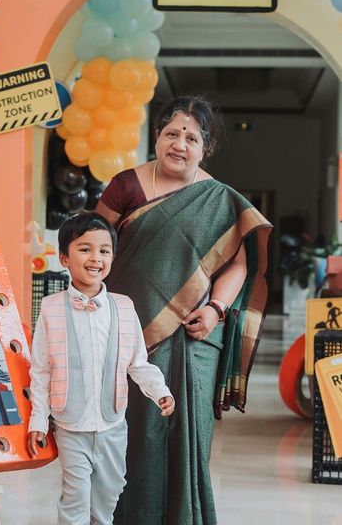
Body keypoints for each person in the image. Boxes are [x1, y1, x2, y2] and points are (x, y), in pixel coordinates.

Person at [95, 95, 272, 525]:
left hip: (196, 337)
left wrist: (216, 308)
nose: (180, 143)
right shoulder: (126, 186)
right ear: (156, 136)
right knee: (134, 439)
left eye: (192, 137)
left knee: (189, 437)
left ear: (205, 147)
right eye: (171, 133)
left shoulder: (221, 200)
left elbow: (239, 266)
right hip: (129, 334)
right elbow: (93, 247)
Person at [27, 212, 175, 525]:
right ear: (65, 258)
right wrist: (38, 418)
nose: (96, 258)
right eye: (85, 249)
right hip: (70, 425)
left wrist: (159, 391)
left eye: (104, 250)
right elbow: (41, 370)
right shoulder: (51, 308)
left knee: (110, 492)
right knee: (75, 496)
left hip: (112, 424)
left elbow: (137, 362)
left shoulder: (124, 306)